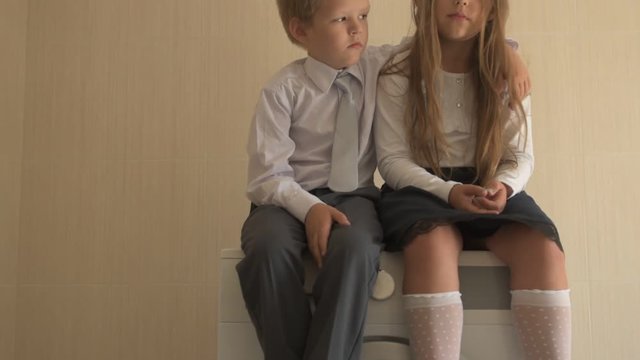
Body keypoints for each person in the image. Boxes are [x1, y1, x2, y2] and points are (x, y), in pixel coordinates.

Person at [374, 0, 571, 359]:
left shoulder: (507, 72)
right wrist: (447, 192)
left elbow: (520, 155)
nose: (462, 2)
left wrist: (504, 185)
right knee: (432, 245)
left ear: (493, 9)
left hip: (489, 181)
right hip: (420, 186)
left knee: (545, 249)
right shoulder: (398, 70)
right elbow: (392, 160)